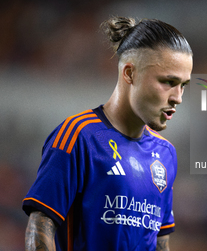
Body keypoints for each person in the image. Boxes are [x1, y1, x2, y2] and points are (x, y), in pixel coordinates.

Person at [23, 16, 193, 251]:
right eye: (168, 82)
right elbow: (40, 224)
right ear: (130, 73)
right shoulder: (79, 136)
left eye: (183, 85)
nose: (178, 97)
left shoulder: (166, 154)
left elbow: (160, 243)